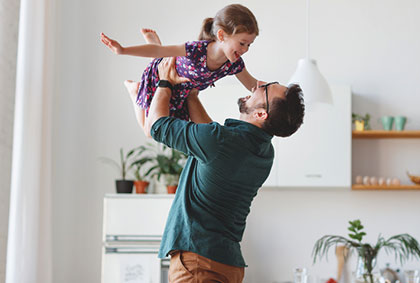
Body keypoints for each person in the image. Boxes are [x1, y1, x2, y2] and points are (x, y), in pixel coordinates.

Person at [142, 57, 305, 282]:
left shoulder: (219, 142)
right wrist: (191, 95)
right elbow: (210, 137)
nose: (258, 85)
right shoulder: (264, 153)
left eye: (265, 88)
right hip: (228, 265)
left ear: (260, 114)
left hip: (198, 264)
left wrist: (164, 83)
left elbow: (155, 126)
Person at [100, 4, 262, 133]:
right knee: (149, 131)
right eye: (242, 43)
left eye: (249, 44)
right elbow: (160, 52)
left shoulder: (234, 64)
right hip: (160, 78)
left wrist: (284, 93)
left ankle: (154, 43)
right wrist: (123, 50)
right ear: (221, 36)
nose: (245, 49)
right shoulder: (196, 50)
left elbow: (255, 86)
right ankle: (134, 91)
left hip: (180, 93)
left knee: (169, 129)